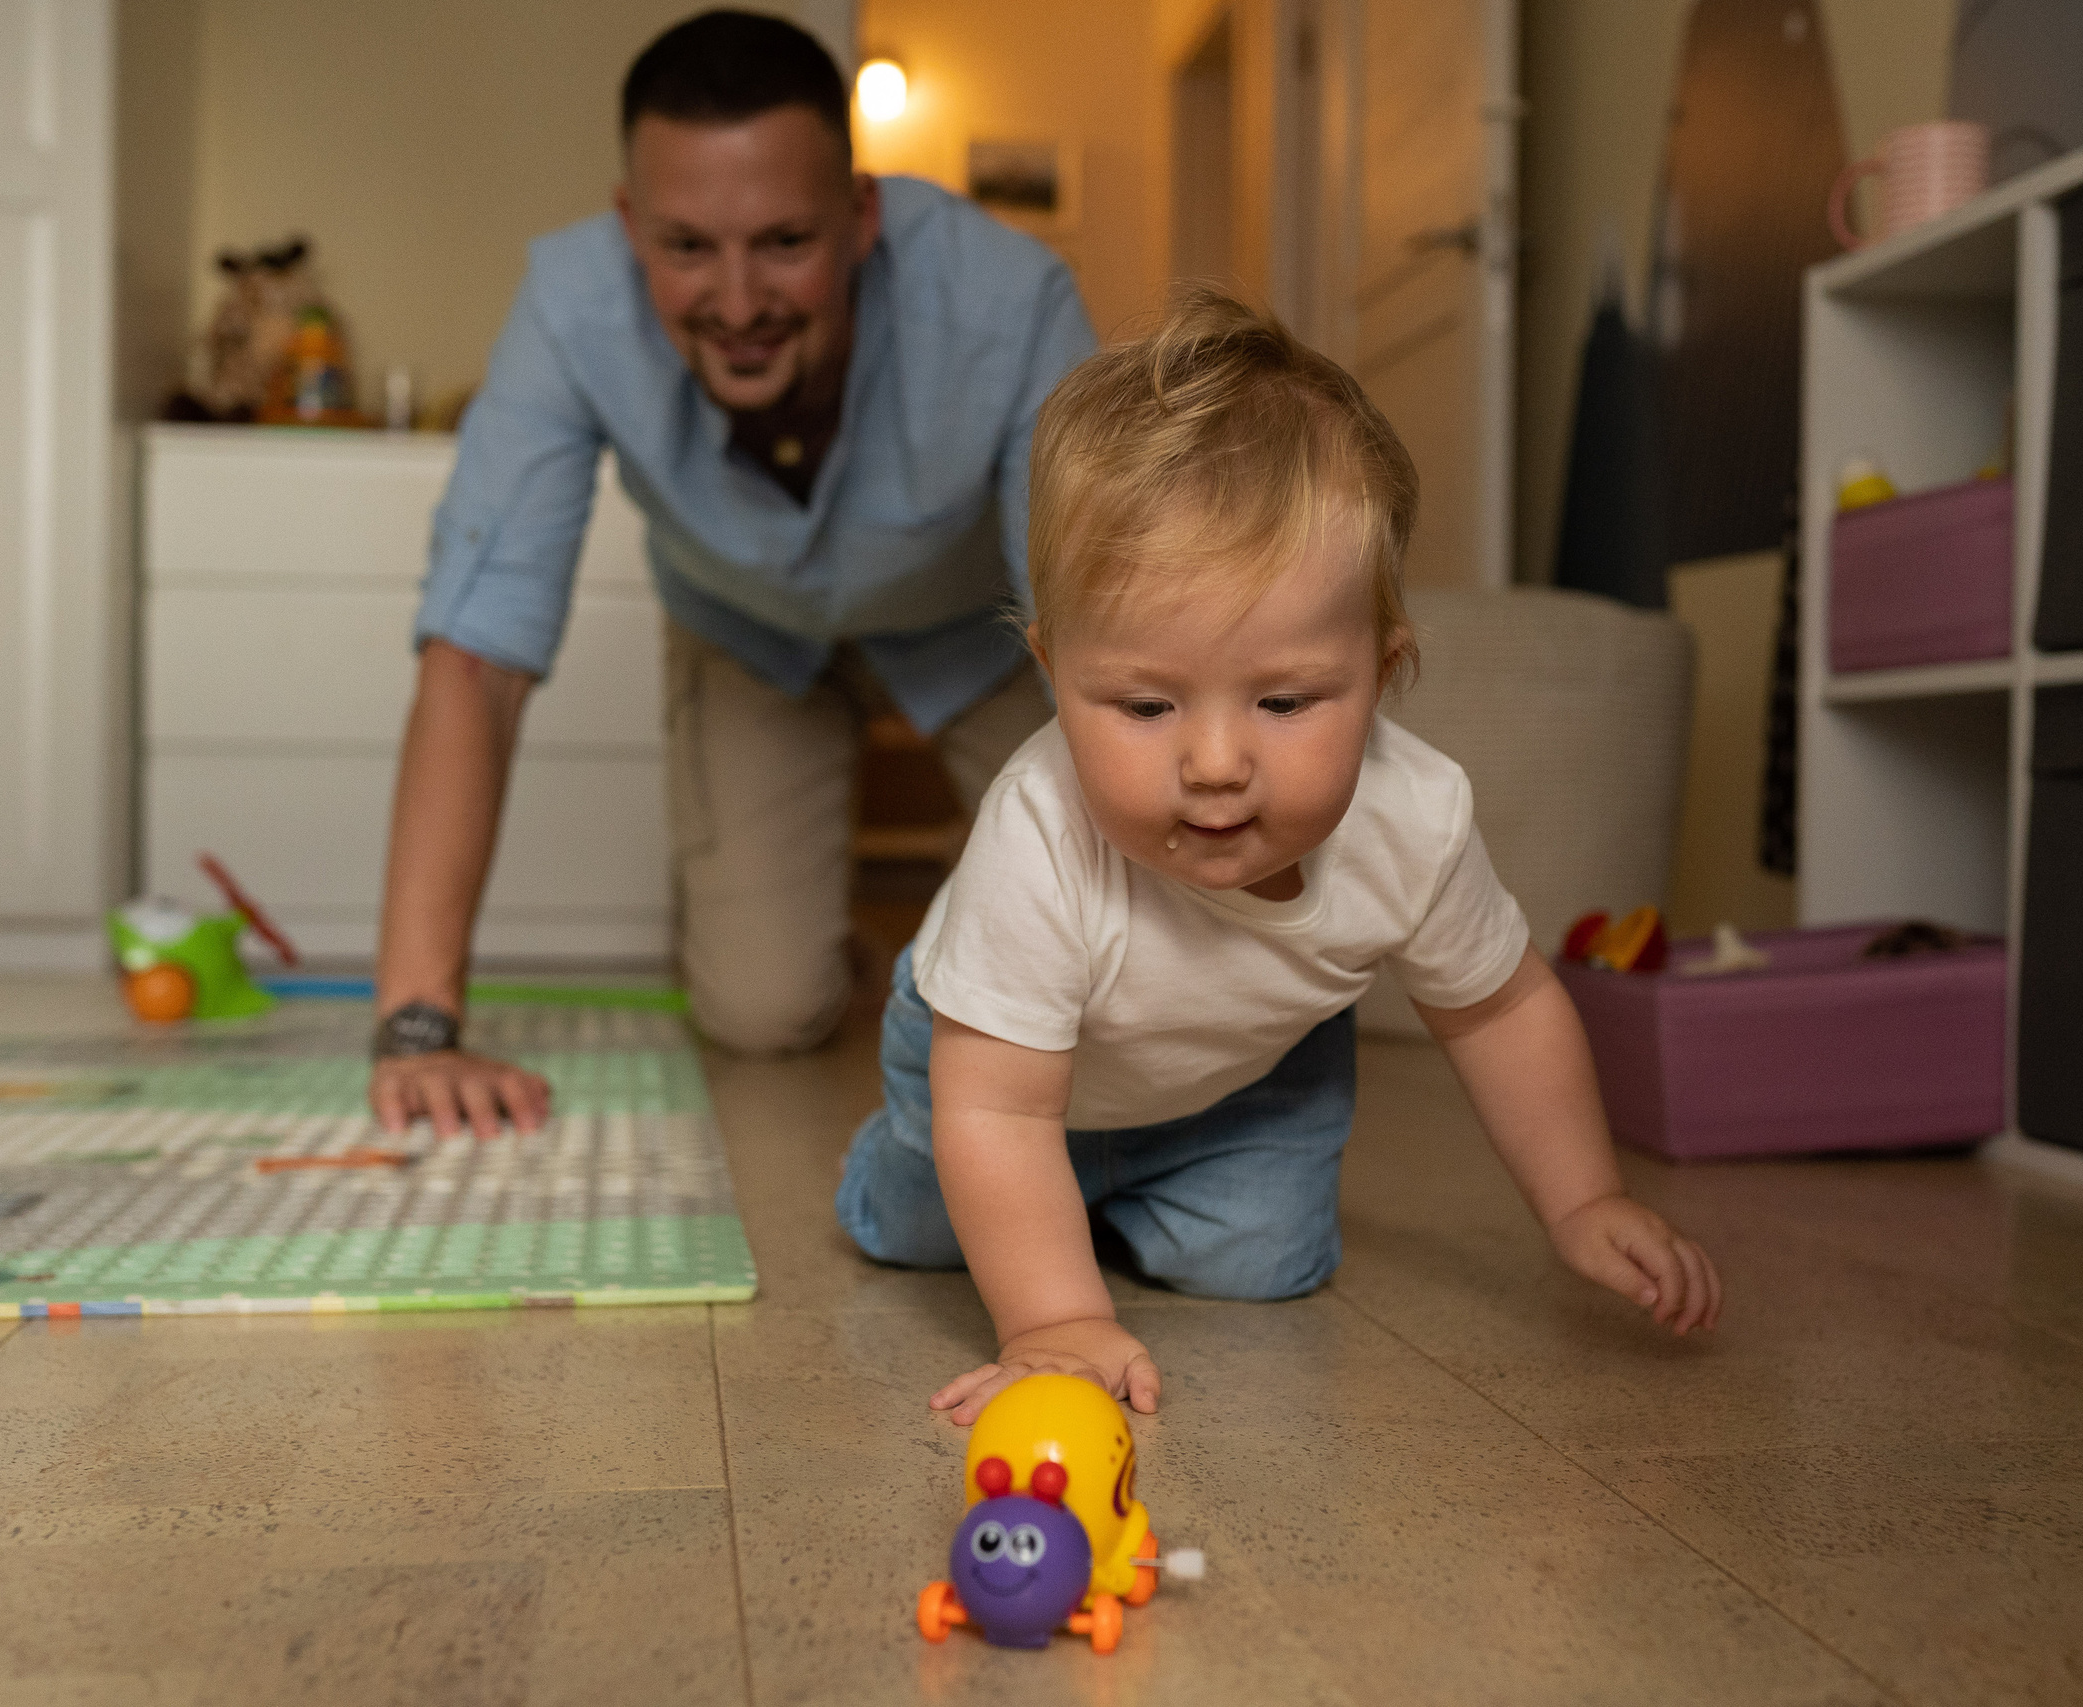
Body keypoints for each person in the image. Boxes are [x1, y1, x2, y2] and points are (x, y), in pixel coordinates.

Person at [833, 289, 1723, 1424]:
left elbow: (1499, 1010)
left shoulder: (1417, 814)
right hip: (987, 1071)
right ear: (1056, 675)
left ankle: (1110, 1200)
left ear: (1385, 669)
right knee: (922, 1226)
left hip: (1235, 1082)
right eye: (1147, 706)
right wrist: (1054, 1321)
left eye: (1286, 699)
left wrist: (1584, 1197)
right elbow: (999, 1113)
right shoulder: (1037, 836)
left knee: (1267, 1268)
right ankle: (968, 1191)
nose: (1215, 763)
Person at [368, 11, 1093, 1137]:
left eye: (786, 244)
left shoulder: (1013, 301)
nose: (740, 303)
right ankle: (832, 943)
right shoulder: (569, 308)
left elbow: (1097, 626)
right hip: (747, 629)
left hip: (980, 622)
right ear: (628, 225)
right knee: (761, 1006)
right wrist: (417, 1025)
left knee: (1103, 941)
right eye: (688, 247)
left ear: (861, 217)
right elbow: (478, 655)